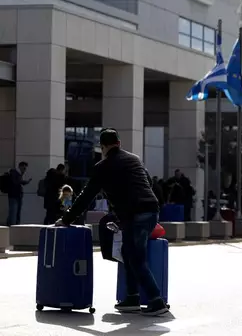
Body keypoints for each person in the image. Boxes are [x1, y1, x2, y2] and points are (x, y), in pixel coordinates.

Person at [56, 128, 168, 316]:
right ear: (119, 143)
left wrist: (66, 219)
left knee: (136, 257)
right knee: (127, 252)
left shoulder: (103, 166)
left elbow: (86, 196)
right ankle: (132, 297)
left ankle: (156, 301)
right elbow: (146, 182)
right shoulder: (135, 159)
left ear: (103, 147)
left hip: (135, 215)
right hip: (150, 210)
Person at [6, 161, 31, 226]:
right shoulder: (14, 173)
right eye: (24, 168)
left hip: (17, 195)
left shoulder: (18, 174)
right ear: (20, 166)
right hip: (13, 195)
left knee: (16, 212)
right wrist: (23, 181)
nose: (24, 170)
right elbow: (16, 182)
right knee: (13, 212)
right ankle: (12, 225)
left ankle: (14, 224)